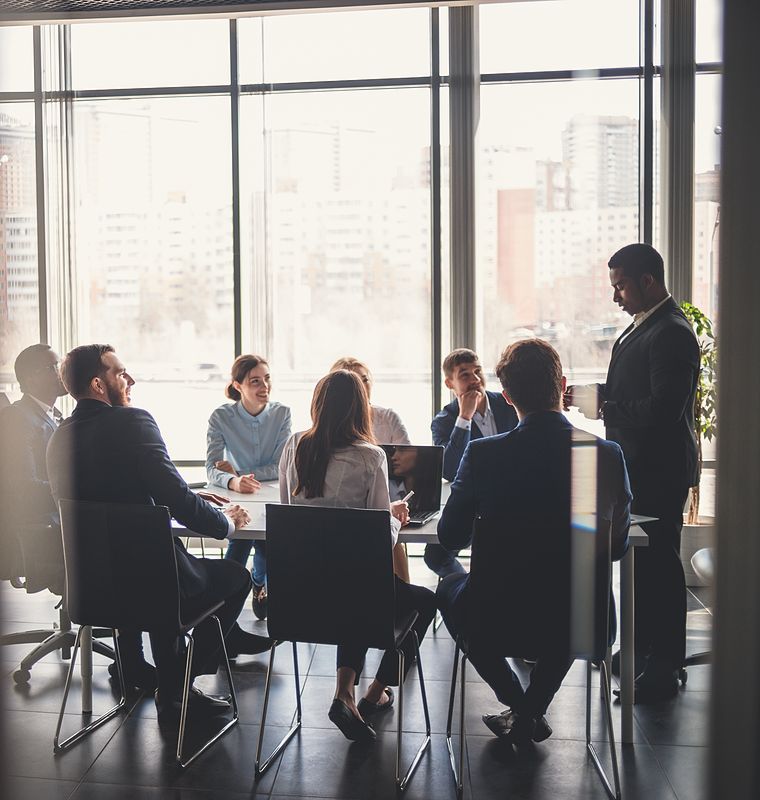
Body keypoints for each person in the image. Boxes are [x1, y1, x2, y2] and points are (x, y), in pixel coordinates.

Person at [46, 344, 273, 723]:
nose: (130, 379)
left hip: (92, 588)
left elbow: (109, 492)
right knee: (236, 578)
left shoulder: (59, 437)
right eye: (121, 373)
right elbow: (179, 505)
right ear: (99, 384)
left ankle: (132, 669)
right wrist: (228, 523)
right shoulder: (134, 421)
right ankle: (176, 687)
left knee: (153, 574)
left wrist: (182, 493)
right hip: (153, 586)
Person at [437, 339, 632, 744]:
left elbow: (449, 537)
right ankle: (532, 709)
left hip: (498, 615)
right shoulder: (605, 454)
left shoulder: (484, 455)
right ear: (562, 385)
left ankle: (519, 703)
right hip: (585, 620)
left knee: (449, 591)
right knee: (569, 600)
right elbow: (615, 548)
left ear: (506, 397)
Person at [566, 243, 699, 702]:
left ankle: (663, 667)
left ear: (648, 281)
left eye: (620, 285)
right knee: (642, 566)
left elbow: (665, 409)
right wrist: (594, 396)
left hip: (658, 471)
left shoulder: (672, 332)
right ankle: (643, 654)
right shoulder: (643, 327)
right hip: (638, 466)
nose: (615, 296)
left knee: (660, 566)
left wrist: (607, 405)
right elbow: (634, 390)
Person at [278, 370, 436, 742]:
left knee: (356, 586)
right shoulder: (369, 457)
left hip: (300, 600)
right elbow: (379, 540)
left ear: (317, 404)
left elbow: (287, 513)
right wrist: (395, 517)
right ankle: (374, 691)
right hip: (359, 600)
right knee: (421, 602)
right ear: (360, 410)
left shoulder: (294, 445)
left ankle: (345, 693)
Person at [206, 354, 291, 620]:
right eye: (255, 381)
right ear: (237, 385)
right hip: (235, 495)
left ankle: (251, 585)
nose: (264, 386)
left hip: (272, 494)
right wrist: (232, 481)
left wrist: (238, 474)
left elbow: (280, 465)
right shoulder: (221, 416)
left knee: (267, 537)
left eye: (267, 379)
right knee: (242, 536)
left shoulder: (282, 413)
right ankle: (228, 602)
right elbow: (212, 468)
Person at [427, 348, 518, 578]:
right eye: (465, 374)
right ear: (450, 383)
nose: (475, 379)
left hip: (512, 498)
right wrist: (464, 418)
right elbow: (448, 470)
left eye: (478, 372)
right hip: (473, 503)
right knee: (436, 554)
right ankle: (468, 587)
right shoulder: (444, 421)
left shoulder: (509, 404)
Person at [331, 356, 412, 581]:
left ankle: (398, 590)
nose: (360, 387)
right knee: (387, 530)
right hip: (362, 514)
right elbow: (381, 531)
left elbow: (408, 459)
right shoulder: (371, 455)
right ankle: (396, 597)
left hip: (389, 493)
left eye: (364, 379)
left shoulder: (387, 417)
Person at [330, 357, 410, 446]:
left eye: (365, 380)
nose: (362, 388)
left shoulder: (389, 418)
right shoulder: (329, 423)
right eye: (355, 383)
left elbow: (407, 455)